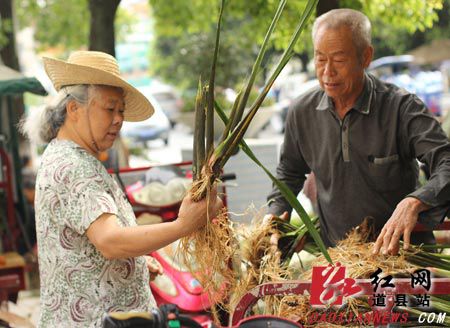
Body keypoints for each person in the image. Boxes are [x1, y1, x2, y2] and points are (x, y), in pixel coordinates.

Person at [20, 50, 223, 328]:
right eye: (109, 108)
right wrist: (183, 225)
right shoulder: (74, 166)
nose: (118, 119)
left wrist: (136, 264)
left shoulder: (65, 155)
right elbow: (110, 241)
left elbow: (93, 243)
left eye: (121, 111)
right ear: (74, 109)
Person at [267, 9, 450, 256]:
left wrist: (415, 201)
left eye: (339, 60)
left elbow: (446, 162)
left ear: (366, 57)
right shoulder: (302, 112)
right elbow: (288, 172)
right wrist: (276, 216)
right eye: (320, 59)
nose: (327, 72)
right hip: (341, 261)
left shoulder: (402, 108)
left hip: (403, 260)